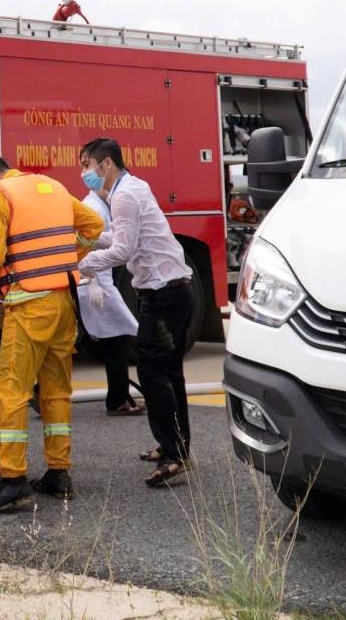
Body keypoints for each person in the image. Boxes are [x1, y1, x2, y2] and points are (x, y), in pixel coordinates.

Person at [0, 154, 104, 514]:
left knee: (11, 389)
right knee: (56, 390)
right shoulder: (52, 186)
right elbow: (94, 226)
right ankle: (58, 473)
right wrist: (66, 258)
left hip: (29, 304)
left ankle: (13, 480)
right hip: (64, 302)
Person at [81, 137, 196, 487]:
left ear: (106, 165)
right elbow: (120, 237)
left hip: (163, 295)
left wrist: (87, 262)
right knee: (169, 372)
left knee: (153, 372)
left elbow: (123, 249)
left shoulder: (125, 194)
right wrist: (90, 236)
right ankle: (176, 446)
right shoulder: (131, 187)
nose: (84, 172)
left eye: (87, 165)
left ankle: (174, 453)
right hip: (170, 292)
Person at [77, 144, 143, 418]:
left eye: (86, 165)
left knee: (114, 338)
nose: (84, 172)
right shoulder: (93, 207)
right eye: (83, 165)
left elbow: (103, 240)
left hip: (96, 280)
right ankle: (118, 399)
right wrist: (91, 279)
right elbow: (88, 247)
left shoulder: (104, 203)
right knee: (116, 340)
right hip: (94, 282)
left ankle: (120, 396)